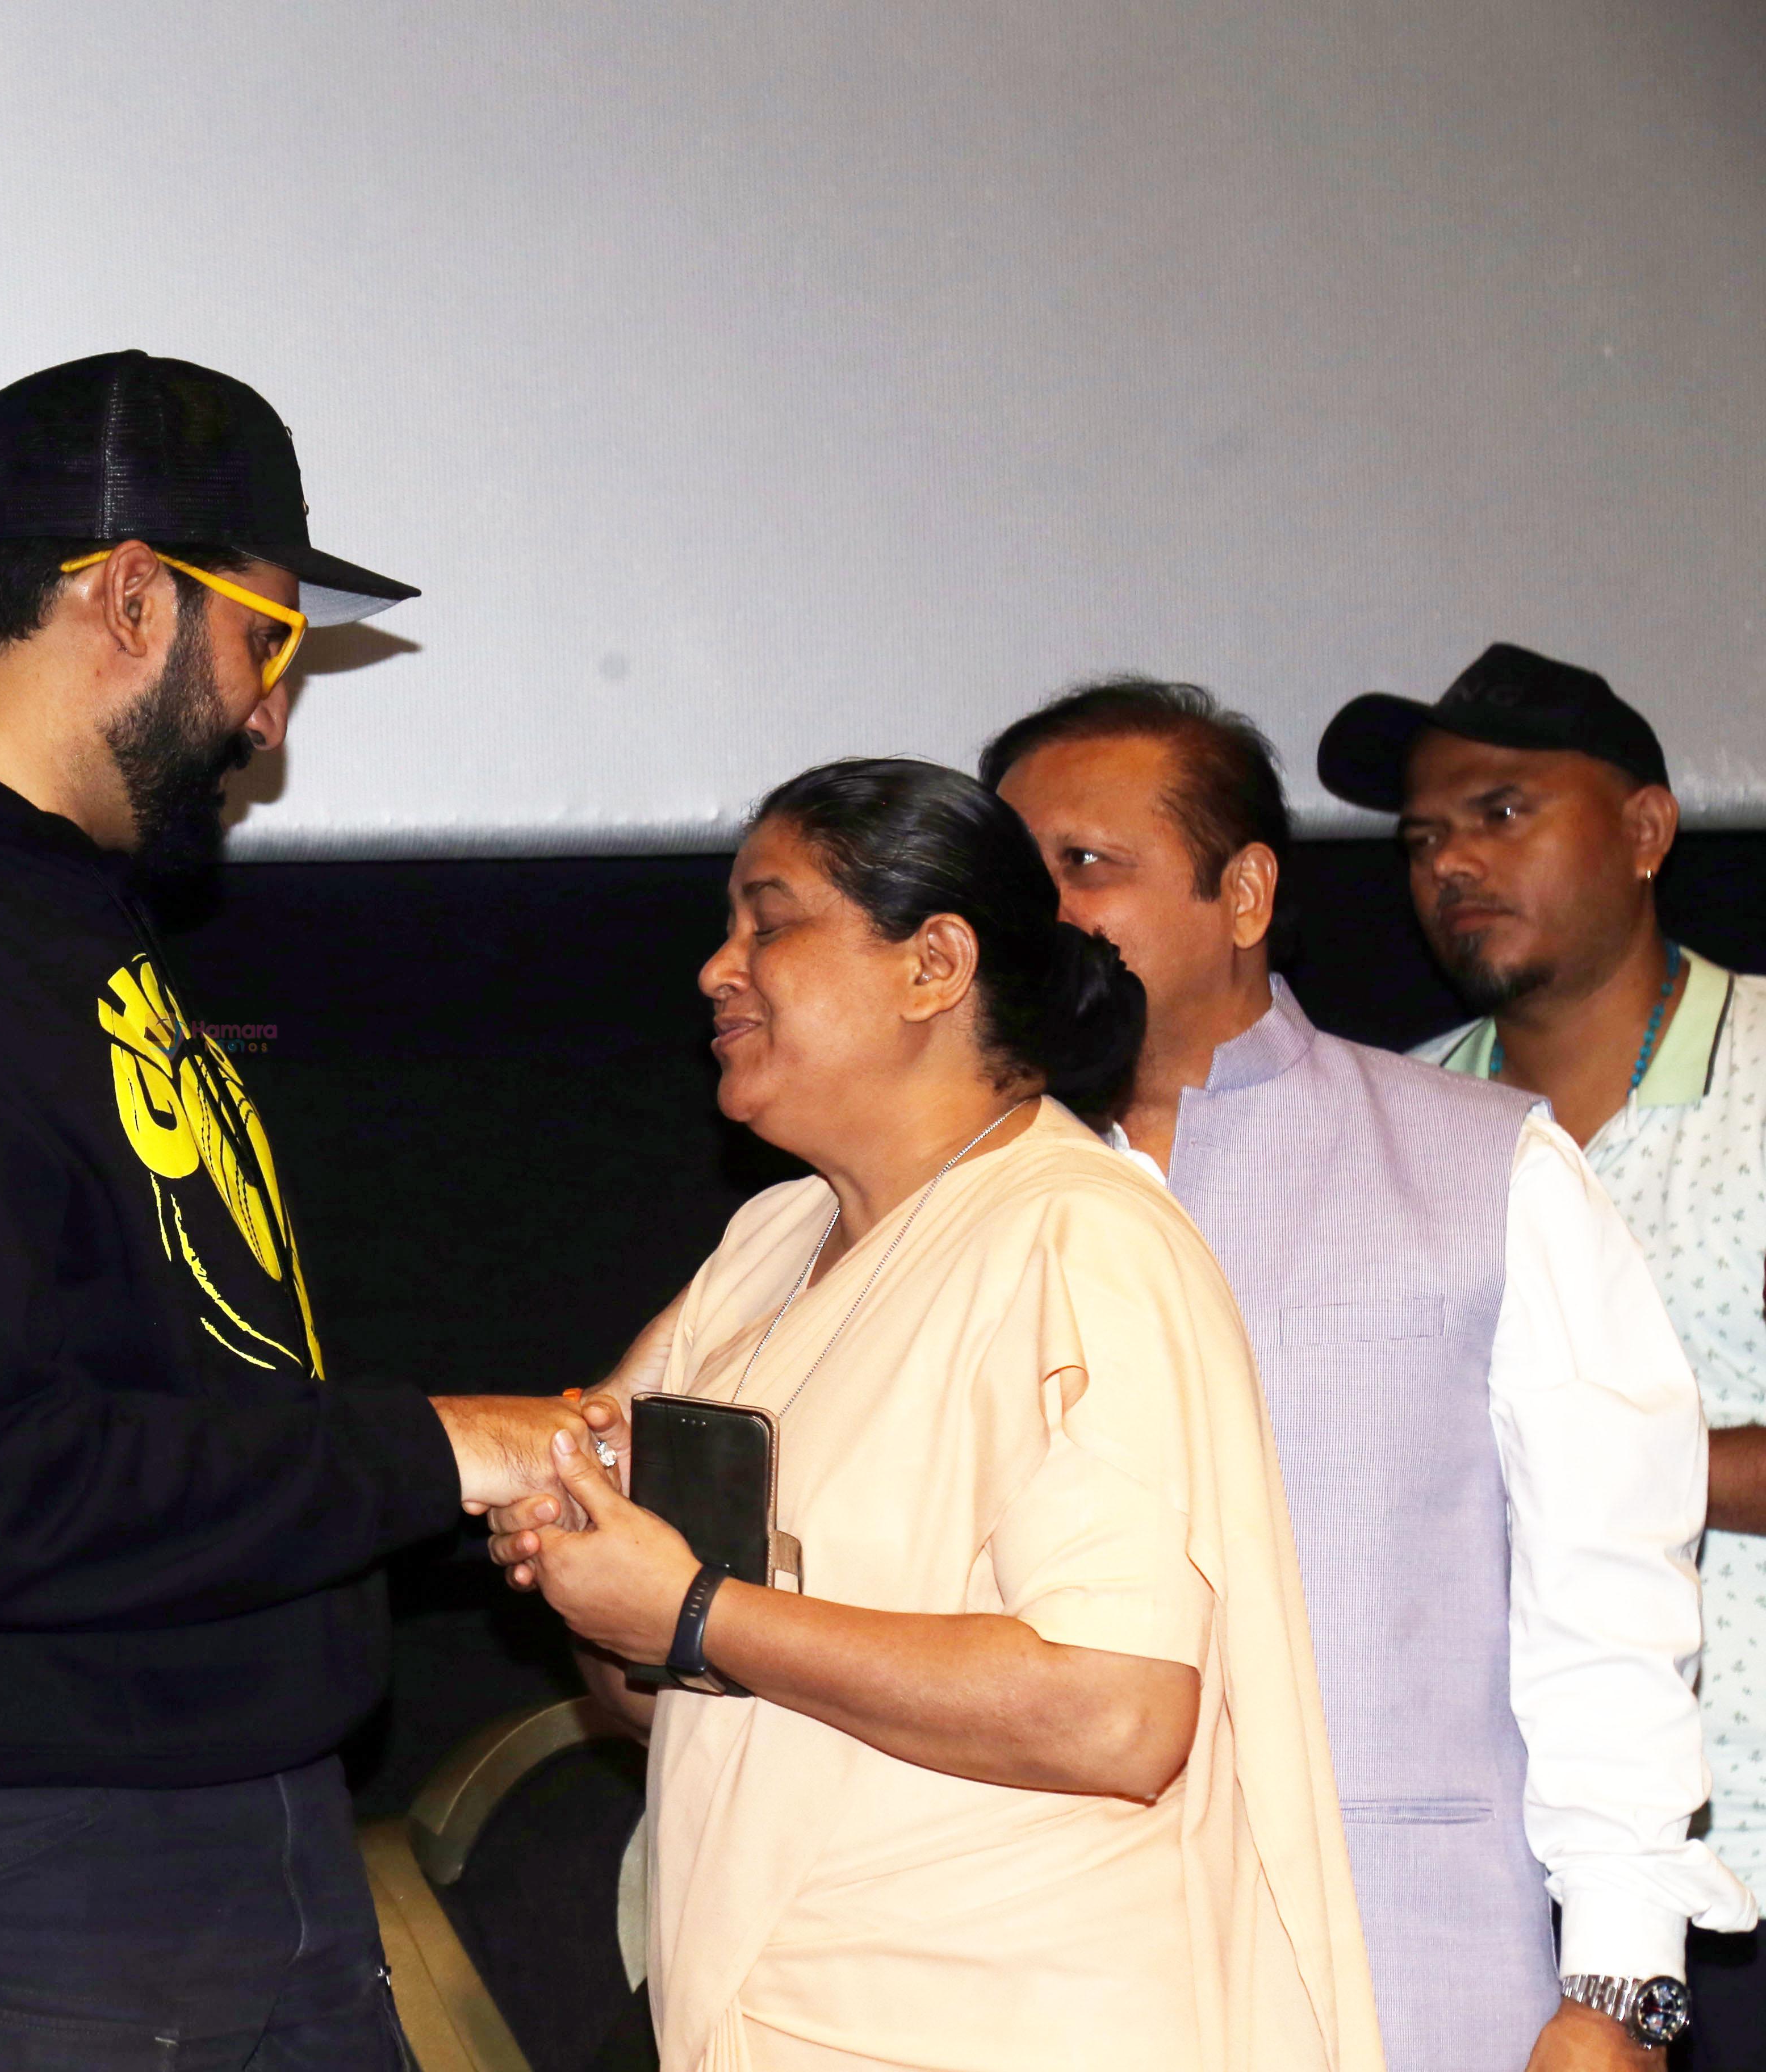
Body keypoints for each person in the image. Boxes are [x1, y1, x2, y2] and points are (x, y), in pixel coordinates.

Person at [0, 350, 617, 2068]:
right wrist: (437, 1450)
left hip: (224, 1845)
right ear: (137, 598)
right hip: (22, 1886)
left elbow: (181, 1393)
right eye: (272, 641)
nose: (270, 717)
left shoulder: (39, 924)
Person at [489, 757, 1384, 2072]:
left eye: (771, 920)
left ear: (934, 964)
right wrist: (587, 1567)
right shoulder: (766, 1244)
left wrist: (693, 1607)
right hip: (769, 2010)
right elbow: (663, 1697)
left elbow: (1117, 1715)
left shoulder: (1078, 1234)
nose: (716, 970)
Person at [986, 675, 1747, 2071]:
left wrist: (1621, 1987)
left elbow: (1610, 1605)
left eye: (1087, 865)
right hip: (1028, 1976)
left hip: (1413, 1964)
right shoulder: (953, 1207)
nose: (1042, 915)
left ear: (1247, 891)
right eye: (1009, 876)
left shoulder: (1476, 1165)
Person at [1321, 643, 1766, 2063]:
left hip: (1739, 1846)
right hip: (1488, 1887)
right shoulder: (1386, 1127)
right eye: (1423, 836)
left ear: (1644, 832)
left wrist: (1576, 1470)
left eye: (1503, 812)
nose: (1452, 859)